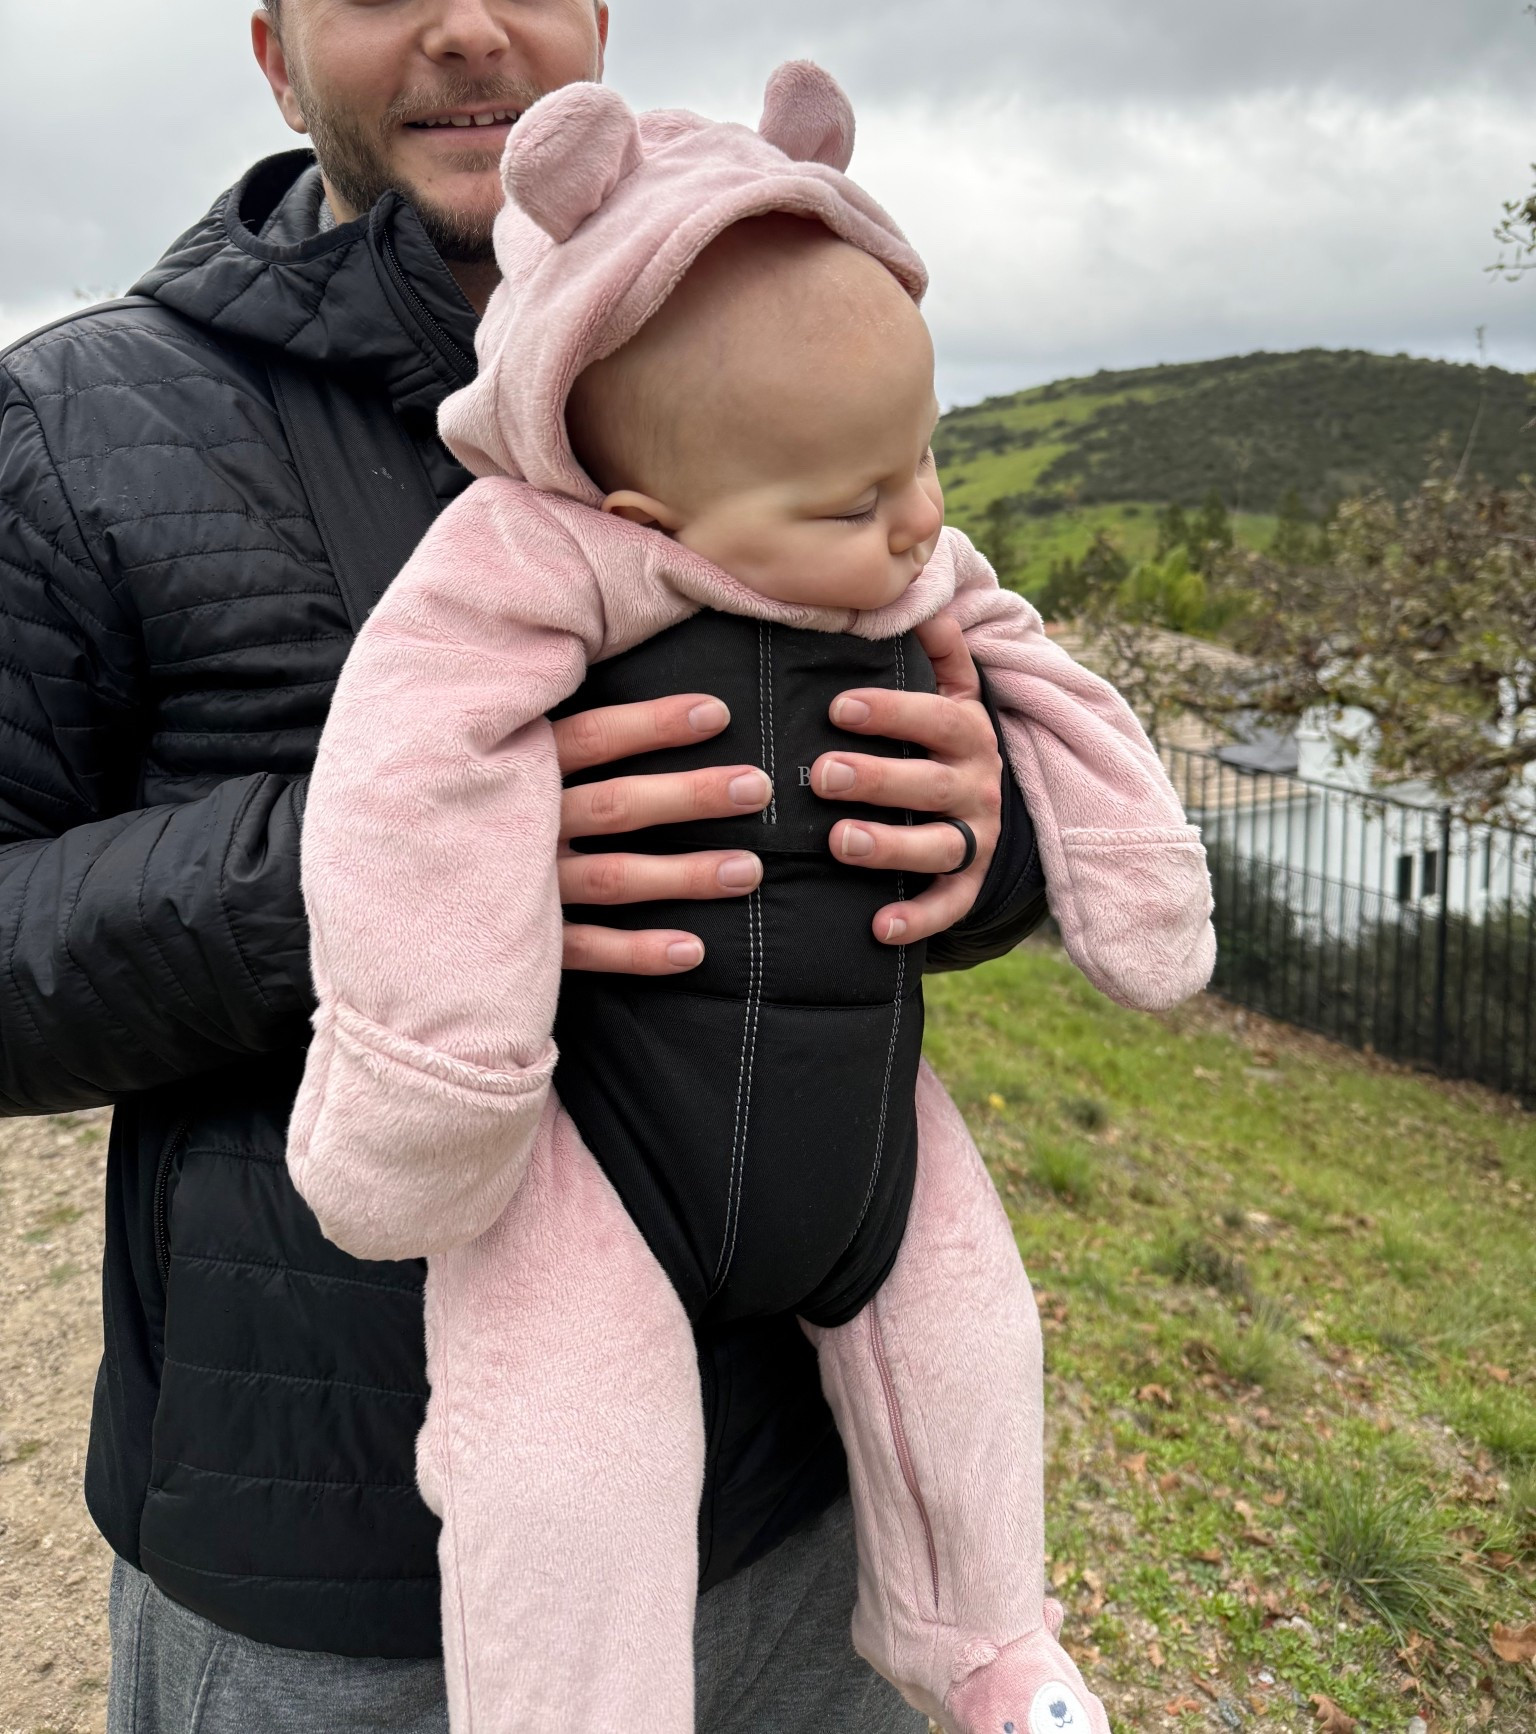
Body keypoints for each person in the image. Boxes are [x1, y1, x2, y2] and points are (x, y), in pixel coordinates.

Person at [0, 4, 1053, 1729]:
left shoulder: (777, 315)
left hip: (803, 1517)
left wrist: (985, 831)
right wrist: (384, 865)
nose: (469, 26)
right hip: (327, 1590)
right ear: (273, 53)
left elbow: (953, 751)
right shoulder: (78, 420)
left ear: (601, 23)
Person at [289, 68, 1213, 1734]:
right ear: (651, 513)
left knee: (972, 1341)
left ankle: (984, 1639)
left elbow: (1042, 684)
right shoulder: (535, 558)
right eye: (857, 503)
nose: (921, 523)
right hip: (595, 1153)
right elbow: (407, 757)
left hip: (868, 1116)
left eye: (923, 459)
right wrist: (434, 1064)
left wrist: (1069, 854)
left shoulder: (896, 545)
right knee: (563, 1462)